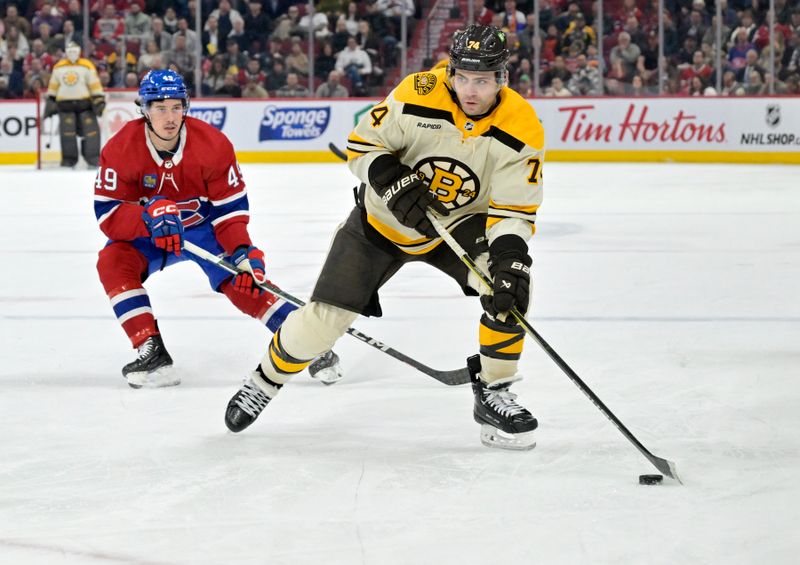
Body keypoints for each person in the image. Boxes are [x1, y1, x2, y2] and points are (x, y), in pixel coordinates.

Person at [224, 25, 544, 451]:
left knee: (509, 289)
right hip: (379, 224)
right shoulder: (418, 92)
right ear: (450, 71)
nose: (470, 90)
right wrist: (391, 180)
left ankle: (494, 391)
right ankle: (264, 381)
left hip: (457, 226)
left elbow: (512, 211)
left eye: (482, 81)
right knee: (322, 325)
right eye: (462, 77)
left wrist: (511, 260)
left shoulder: (522, 126)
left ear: (502, 78)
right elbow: (363, 146)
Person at [93, 69, 342, 389]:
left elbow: (229, 212)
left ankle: (309, 344)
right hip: (151, 235)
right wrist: (146, 217)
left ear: (185, 106)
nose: (169, 117)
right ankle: (151, 351)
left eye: (176, 107)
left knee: (245, 283)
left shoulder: (213, 145)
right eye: (159, 108)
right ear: (144, 109)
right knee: (113, 261)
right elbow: (108, 213)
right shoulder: (120, 148)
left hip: (204, 232)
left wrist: (241, 252)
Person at [44, 41, 105, 167]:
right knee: (67, 133)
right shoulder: (59, 67)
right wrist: (51, 100)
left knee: (91, 132)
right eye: (70, 51)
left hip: (85, 105)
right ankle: (68, 160)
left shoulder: (87, 65)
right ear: (66, 52)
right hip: (65, 105)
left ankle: (93, 158)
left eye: (74, 51)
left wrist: (98, 99)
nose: (72, 54)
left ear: (79, 52)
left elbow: (94, 84)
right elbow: (53, 86)